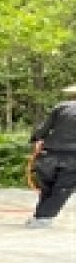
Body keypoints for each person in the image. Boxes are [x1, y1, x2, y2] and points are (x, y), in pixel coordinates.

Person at [26, 84, 76, 228]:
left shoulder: (61, 107)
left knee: (48, 187)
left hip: (49, 153)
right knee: (62, 188)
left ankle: (39, 216)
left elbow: (43, 129)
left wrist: (36, 139)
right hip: (73, 157)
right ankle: (43, 219)